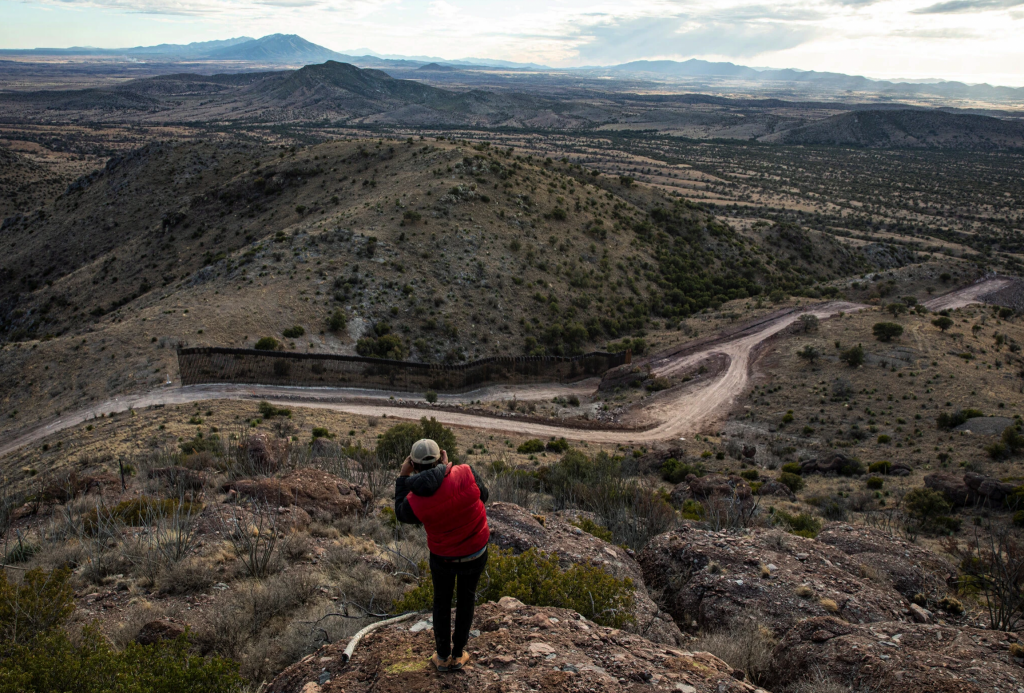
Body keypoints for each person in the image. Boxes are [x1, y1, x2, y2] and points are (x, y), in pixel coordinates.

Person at [394, 438, 489, 672]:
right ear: (441, 457)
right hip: (475, 551)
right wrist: (447, 468)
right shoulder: (466, 472)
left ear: (413, 465)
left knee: (442, 602)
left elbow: (401, 513)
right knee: (467, 599)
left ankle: (443, 656)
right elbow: (483, 496)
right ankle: (459, 655)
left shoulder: (415, 500)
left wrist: (403, 478)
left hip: (443, 557)